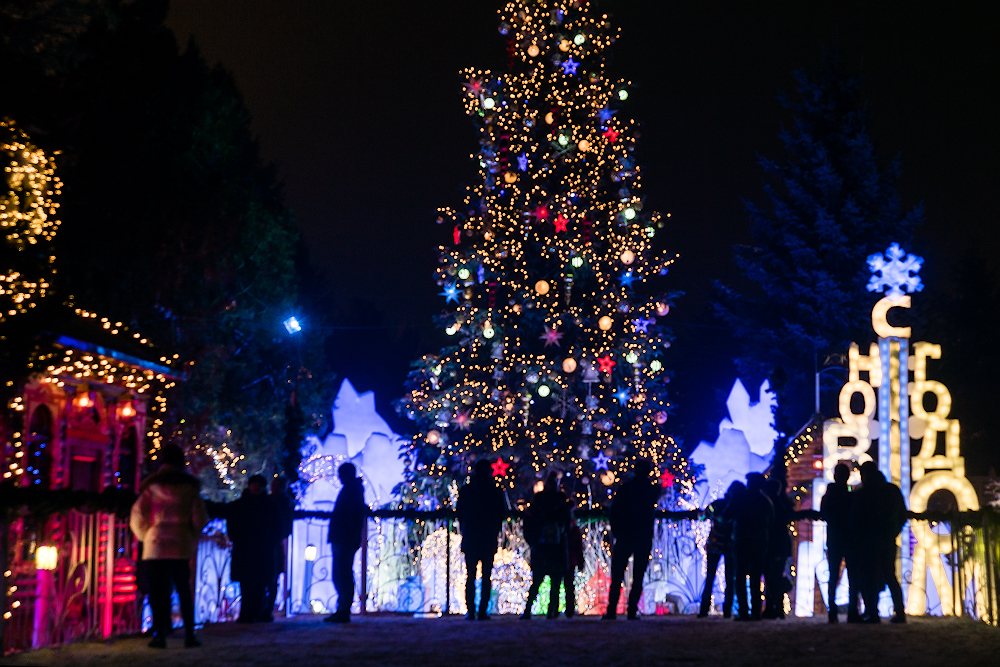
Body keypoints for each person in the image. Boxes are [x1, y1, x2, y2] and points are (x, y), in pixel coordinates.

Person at [130, 444, 208, 649]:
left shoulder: (151, 487)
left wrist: (146, 535)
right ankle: (189, 634)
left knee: (158, 592)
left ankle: (160, 634)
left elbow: (138, 515)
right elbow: (199, 517)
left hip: (156, 542)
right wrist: (191, 533)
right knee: (184, 588)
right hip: (181, 541)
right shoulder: (190, 487)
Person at [850, 461, 907, 623]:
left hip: (868, 541)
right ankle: (899, 612)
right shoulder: (892, 491)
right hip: (887, 539)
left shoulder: (863, 493)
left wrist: (859, 536)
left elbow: (855, 518)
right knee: (889, 575)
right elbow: (902, 515)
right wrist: (893, 531)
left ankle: (872, 612)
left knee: (869, 576)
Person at [604, 459, 661, 620]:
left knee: (617, 574)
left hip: (625, 534)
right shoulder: (652, 490)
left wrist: (617, 531)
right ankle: (631, 610)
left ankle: (611, 609)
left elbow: (614, 511)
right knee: (638, 575)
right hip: (642, 535)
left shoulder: (625, 488)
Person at [223, 474, 279, 623]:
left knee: (259, 582)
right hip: (247, 548)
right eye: (254, 484)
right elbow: (232, 524)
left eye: (258, 484)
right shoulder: (243, 505)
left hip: (260, 548)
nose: (256, 487)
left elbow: (276, 526)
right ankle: (248, 612)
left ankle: (255, 612)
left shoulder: (268, 505)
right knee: (247, 582)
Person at [456, 459, 507, 620]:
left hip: (471, 535)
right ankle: (483, 610)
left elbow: (460, 512)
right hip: (488, 535)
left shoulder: (466, 490)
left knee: (470, 574)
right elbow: (501, 513)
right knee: (486, 575)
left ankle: (470, 610)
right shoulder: (495, 491)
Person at [521, 471, 571, 619]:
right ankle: (552, 610)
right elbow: (567, 521)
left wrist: (532, 539)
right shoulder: (561, 500)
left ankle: (528, 610)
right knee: (555, 580)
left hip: (541, 544)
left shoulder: (539, 500)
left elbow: (529, 520)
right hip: (556, 544)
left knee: (537, 579)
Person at [726, 472, 773, 621]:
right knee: (756, 575)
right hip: (760, 540)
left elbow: (727, 515)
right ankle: (757, 611)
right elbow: (772, 520)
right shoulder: (765, 501)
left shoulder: (740, 497)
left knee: (740, 575)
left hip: (742, 539)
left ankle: (744, 611)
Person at [325, 463, 367, 623]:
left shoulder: (351, 490)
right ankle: (343, 607)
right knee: (342, 573)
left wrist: (343, 536)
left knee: (342, 573)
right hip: (345, 538)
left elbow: (349, 516)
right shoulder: (354, 490)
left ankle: (343, 608)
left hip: (343, 538)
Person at [821, 462, 861, 623]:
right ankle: (853, 611)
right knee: (853, 575)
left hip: (834, 537)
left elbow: (824, 514)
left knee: (833, 574)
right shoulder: (852, 496)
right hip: (850, 538)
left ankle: (832, 611)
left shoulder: (829, 495)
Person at [698, 481, 743, 618]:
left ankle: (704, 609)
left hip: (714, 543)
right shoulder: (739, 508)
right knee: (730, 578)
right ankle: (727, 610)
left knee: (710, 575)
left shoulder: (717, 504)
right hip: (731, 544)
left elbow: (703, 516)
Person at [264, 476, 295, 621]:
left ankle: (267, 608)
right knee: (271, 576)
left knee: (271, 575)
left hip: (272, 542)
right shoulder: (284, 501)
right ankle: (267, 607)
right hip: (273, 542)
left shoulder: (278, 501)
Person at [762, 477, 793, 619]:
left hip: (773, 545)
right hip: (780, 546)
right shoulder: (782, 503)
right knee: (776, 577)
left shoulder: (770, 505)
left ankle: (772, 608)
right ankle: (777, 609)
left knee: (771, 577)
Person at [565, 513, 584, 618]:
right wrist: (580, 562)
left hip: (563, 559)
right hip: (570, 560)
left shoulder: (562, 528)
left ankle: (553, 609)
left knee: (558, 584)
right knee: (569, 585)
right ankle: (569, 609)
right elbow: (578, 548)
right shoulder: (574, 530)